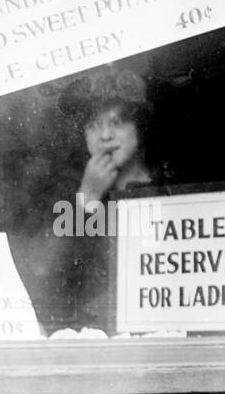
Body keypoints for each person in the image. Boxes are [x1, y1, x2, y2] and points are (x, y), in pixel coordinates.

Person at [47, 67, 159, 333]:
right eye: (93, 126)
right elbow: (60, 280)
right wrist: (88, 198)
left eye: (117, 123)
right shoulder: (70, 194)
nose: (105, 136)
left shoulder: (164, 189)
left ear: (139, 128)